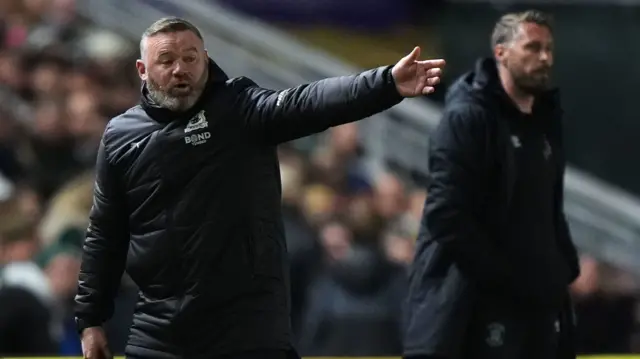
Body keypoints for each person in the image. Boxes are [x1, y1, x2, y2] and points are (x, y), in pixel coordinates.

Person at [75, 17, 445, 359]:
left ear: (205, 59)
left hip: (248, 331)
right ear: (142, 70)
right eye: (166, 60)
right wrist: (90, 319)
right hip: (159, 330)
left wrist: (384, 83)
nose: (180, 69)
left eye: (190, 57)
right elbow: (105, 232)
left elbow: (307, 102)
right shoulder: (120, 137)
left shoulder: (238, 109)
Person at [403, 10, 580, 359]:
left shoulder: (544, 123)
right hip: (474, 309)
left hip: (537, 308)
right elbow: (445, 216)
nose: (544, 57)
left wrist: (563, 267)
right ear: (501, 52)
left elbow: (548, 210)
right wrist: (507, 278)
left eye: (548, 49)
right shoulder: (468, 118)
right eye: (532, 47)